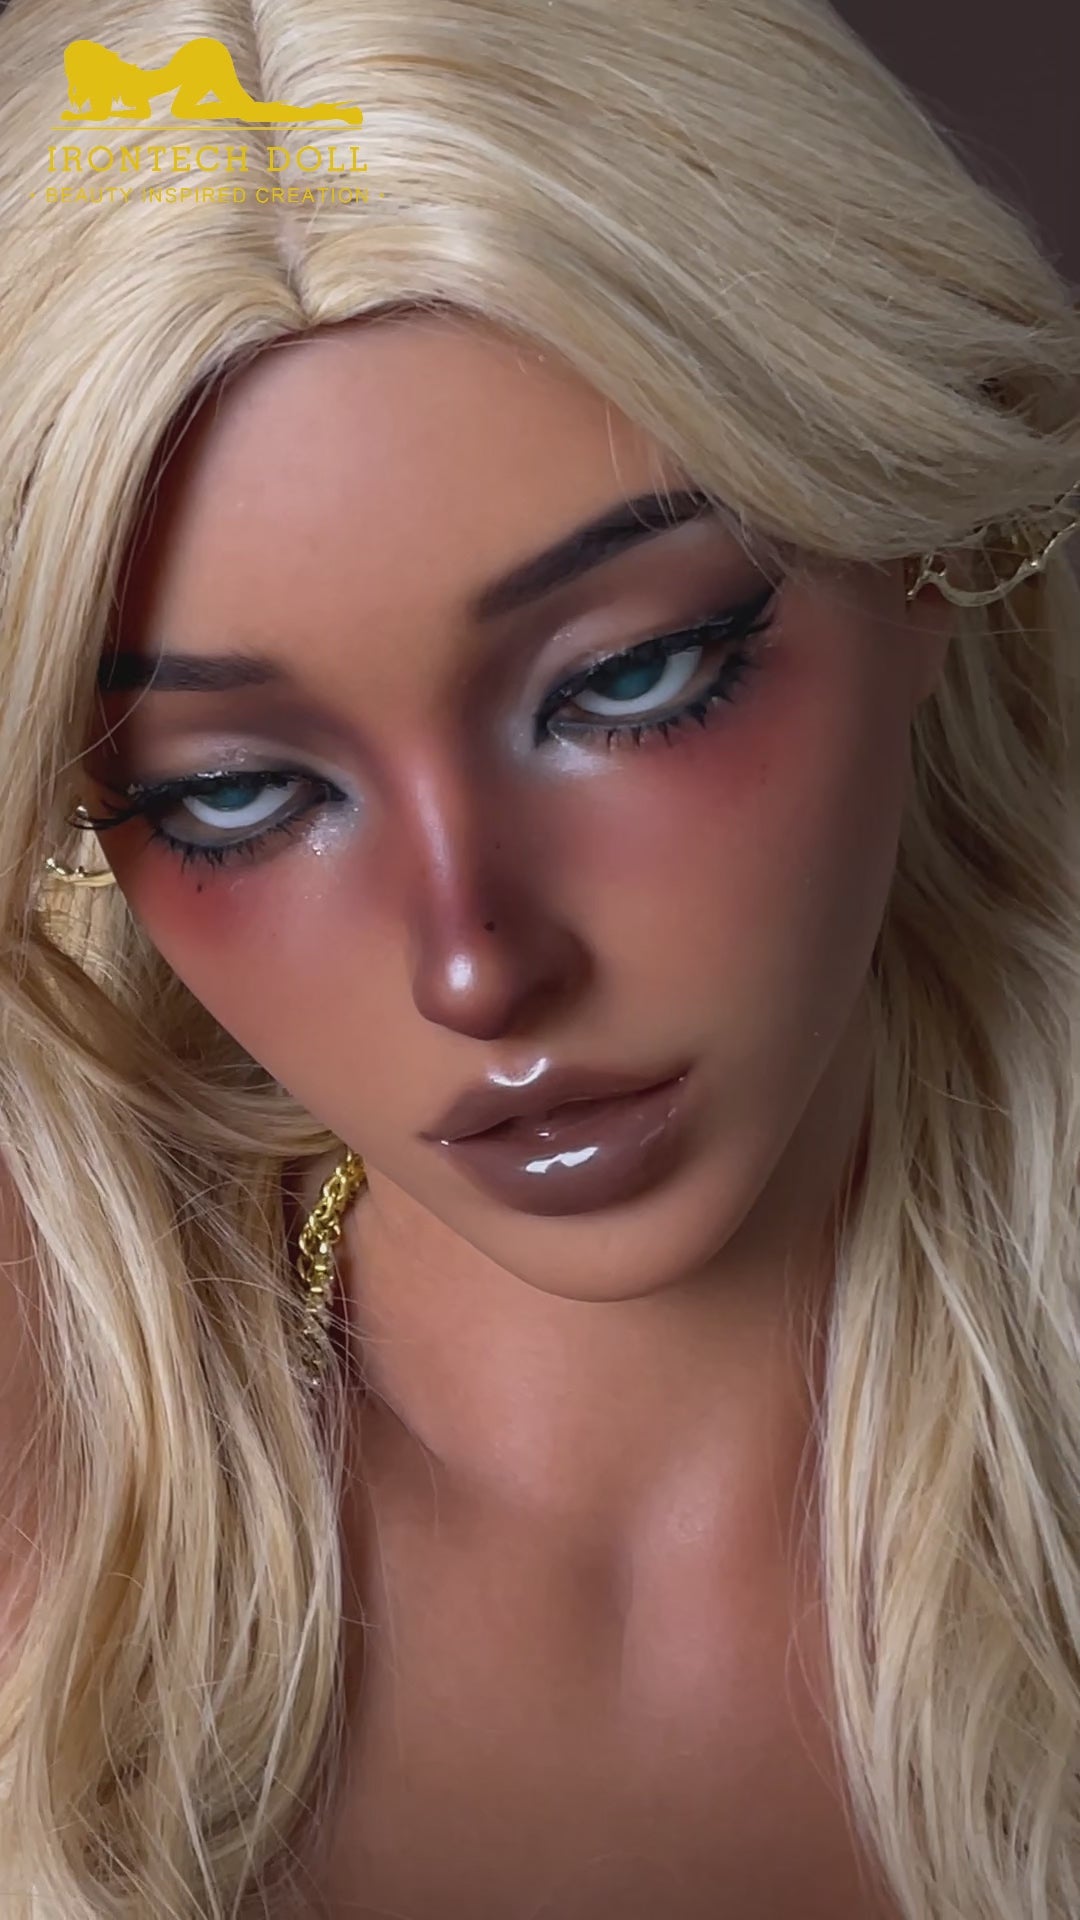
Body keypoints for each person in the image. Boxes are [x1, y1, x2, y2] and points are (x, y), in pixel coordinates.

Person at [0, 0, 1077, 1915]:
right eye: (235, 792)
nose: (474, 967)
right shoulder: (40, 1460)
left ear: (923, 556)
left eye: (629, 681)